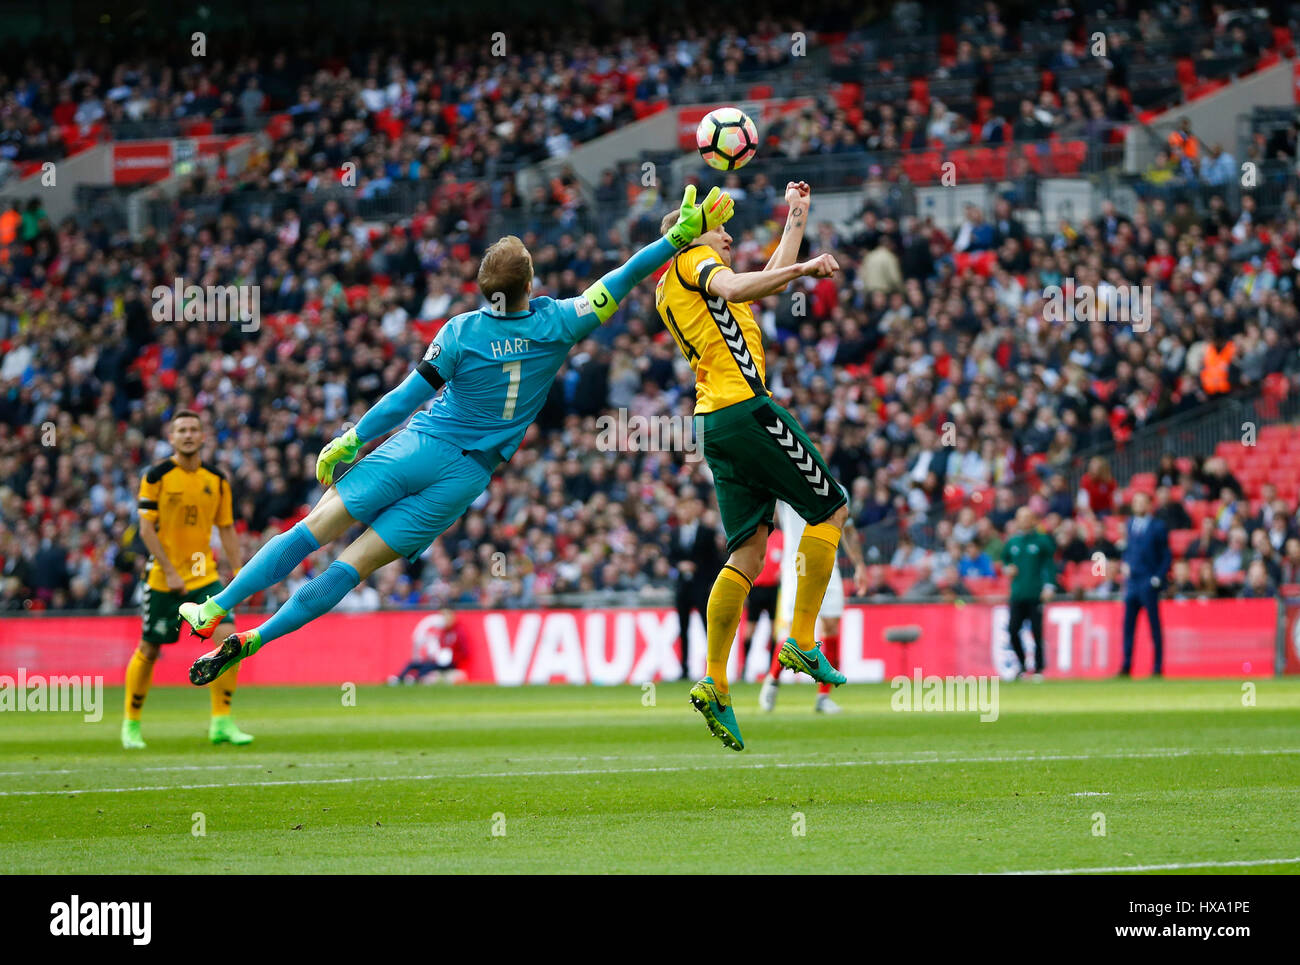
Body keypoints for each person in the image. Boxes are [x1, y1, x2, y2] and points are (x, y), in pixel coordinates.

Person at [179, 185, 736, 682]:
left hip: (422, 445)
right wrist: (677, 239)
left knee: (314, 529)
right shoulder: (563, 322)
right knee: (353, 566)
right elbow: (626, 276)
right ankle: (256, 639)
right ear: (529, 283)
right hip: (467, 476)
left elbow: (405, 398)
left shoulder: (462, 331)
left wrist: (353, 437)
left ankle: (216, 606)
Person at [654, 179, 848, 751]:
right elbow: (741, 287)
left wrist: (796, 217)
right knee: (832, 508)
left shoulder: (673, 283)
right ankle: (802, 639)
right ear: (692, 235)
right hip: (745, 409)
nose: (729, 234)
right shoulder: (694, 259)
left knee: (747, 551)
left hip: (713, 423)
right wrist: (806, 269)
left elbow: (751, 284)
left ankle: (715, 680)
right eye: (720, 227)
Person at [122, 410, 250, 749]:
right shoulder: (156, 475)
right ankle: (131, 723)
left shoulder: (217, 479)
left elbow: (226, 528)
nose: (189, 435)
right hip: (164, 578)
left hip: (204, 577)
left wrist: (240, 575)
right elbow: (146, 529)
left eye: (194, 429)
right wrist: (171, 569)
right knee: (150, 649)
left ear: (203, 436)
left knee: (228, 640)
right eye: (182, 430)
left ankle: (221, 722)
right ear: (171, 437)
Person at [758, 500, 868, 715]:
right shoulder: (787, 487)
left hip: (829, 565)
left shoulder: (837, 489)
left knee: (831, 625)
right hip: (796, 565)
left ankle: (823, 696)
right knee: (795, 632)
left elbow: (848, 530)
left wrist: (860, 565)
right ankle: (773, 679)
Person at [670, 492, 723, 679]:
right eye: (682, 508)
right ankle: (684, 669)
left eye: (688, 507)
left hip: (701, 586)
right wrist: (679, 565)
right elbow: (670, 557)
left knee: (707, 627)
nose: (684, 511)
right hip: (682, 587)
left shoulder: (706, 532)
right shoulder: (674, 532)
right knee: (682, 628)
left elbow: (715, 561)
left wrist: (711, 582)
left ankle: (714, 667)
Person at [1001, 507, 1057, 679]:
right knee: (1012, 630)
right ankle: (1022, 666)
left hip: (1035, 593)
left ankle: (1039, 669)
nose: (1024, 520)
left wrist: (1049, 586)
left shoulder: (1042, 541)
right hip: (1017, 593)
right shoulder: (1012, 542)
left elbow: (1049, 565)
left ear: (1033, 520)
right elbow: (1005, 560)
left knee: (1037, 632)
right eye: (1021, 517)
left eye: (1027, 517)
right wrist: (1007, 569)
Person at [1120, 491, 1171, 677]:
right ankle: (1126, 665)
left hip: (1148, 582)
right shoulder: (1129, 524)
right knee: (1128, 626)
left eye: (1142, 502)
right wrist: (1125, 563)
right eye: (1136, 501)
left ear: (1149, 505)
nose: (1139, 505)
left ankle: (1157, 667)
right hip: (1132, 582)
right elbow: (1128, 549)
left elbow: (1166, 555)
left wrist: (1157, 577)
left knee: (1154, 627)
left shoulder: (1158, 526)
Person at [388, 609, 464, 684]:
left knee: (428, 666)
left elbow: (463, 651)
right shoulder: (441, 633)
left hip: (449, 664)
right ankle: (399, 678)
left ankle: (416, 679)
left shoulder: (457, 632)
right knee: (414, 663)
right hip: (437, 660)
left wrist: (452, 658)